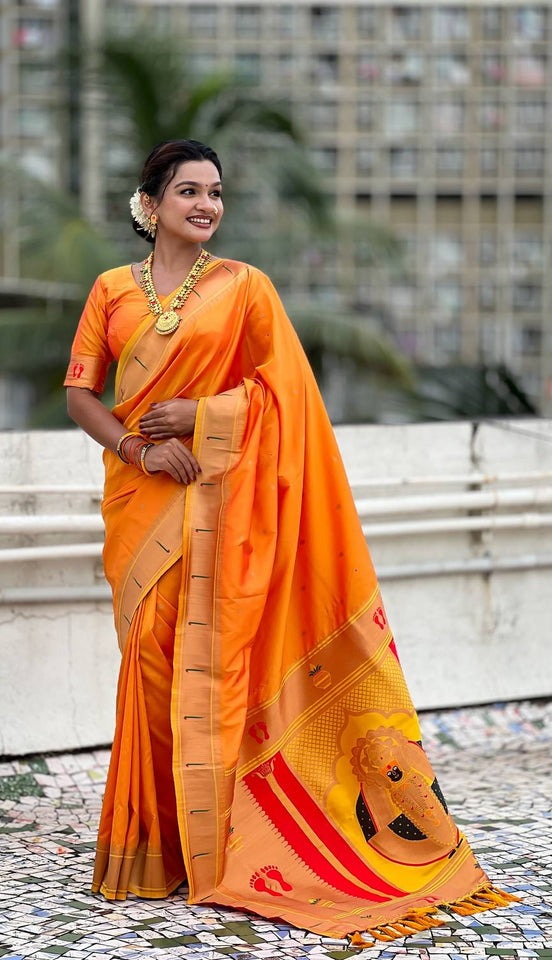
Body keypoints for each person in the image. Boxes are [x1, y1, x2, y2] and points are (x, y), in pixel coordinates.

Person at [64, 139, 516, 946]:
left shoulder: (245, 289)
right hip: (141, 503)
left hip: (219, 503)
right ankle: (153, 849)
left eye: (217, 193)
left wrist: (201, 418)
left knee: (217, 664)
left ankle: (219, 848)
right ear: (151, 203)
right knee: (153, 665)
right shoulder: (109, 291)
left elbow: (287, 396)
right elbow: (80, 391)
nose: (207, 205)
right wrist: (136, 447)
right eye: (190, 191)